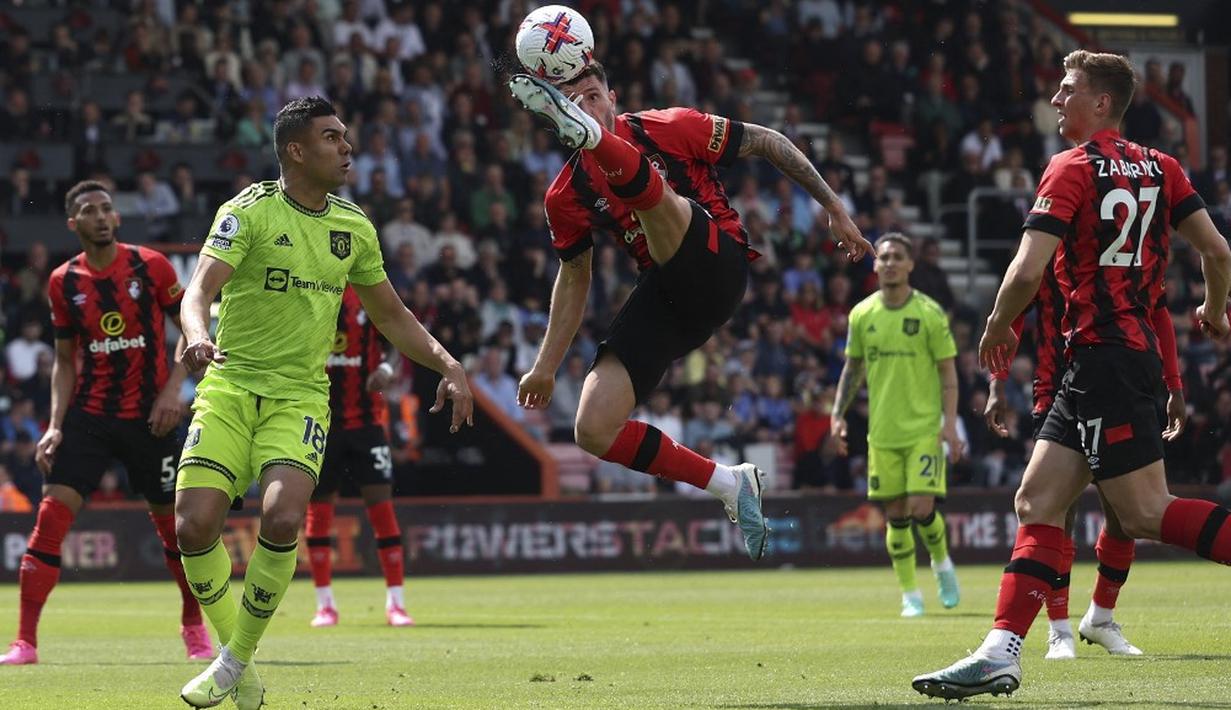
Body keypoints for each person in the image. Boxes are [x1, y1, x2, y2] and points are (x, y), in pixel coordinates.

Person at [914, 50, 1231, 701]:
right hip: (1114, 358)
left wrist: (996, 325)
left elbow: (1027, 270)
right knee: (1036, 501)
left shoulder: (1071, 167)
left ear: (1101, 102)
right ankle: (1000, 653)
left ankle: (1029, 640)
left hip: (1102, 356)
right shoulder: (1163, 167)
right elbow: (1217, 250)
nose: (1056, 100)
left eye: (1067, 90)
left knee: (1144, 512)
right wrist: (1213, 309)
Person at [174, 96, 473, 708]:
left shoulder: (354, 227)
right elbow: (197, 291)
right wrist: (198, 335)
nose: (347, 147)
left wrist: (448, 363)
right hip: (230, 387)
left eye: (345, 136)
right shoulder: (247, 212)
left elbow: (392, 315)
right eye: (332, 137)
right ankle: (239, 665)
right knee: (193, 525)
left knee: (283, 518)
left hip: (301, 397)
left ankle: (231, 661)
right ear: (296, 150)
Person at [506, 64, 870, 560]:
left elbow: (767, 140)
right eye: (572, 104)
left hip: (717, 262)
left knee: (657, 201)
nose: (586, 106)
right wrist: (545, 366)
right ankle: (729, 484)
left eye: (591, 96)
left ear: (613, 98)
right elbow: (574, 278)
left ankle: (608, 150)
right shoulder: (563, 196)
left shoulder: (668, 126)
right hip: (669, 295)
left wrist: (835, 207)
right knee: (592, 427)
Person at [1, 181, 211, 666]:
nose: (99, 216)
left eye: (106, 209)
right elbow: (64, 361)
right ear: (74, 223)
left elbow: (189, 327)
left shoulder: (151, 266)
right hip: (90, 416)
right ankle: (25, 642)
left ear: (116, 218)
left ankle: (193, 627)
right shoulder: (63, 282)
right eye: (89, 210)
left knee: (176, 533)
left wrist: (173, 391)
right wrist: (54, 425)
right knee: (49, 519)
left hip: (150, 418)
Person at [985, 257, 1187, 659]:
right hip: (1055, 388)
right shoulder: (1045, 249)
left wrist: (1174, 386)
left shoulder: (1128, 253)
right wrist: (997, 383)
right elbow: (1012, 314)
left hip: (1116, 383)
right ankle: (1058, 628)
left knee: (1124, 513)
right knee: (1058, 508)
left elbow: (1158, 313)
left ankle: (1100, 617)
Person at [830, 234, 962, 618]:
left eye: (897, 257)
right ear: (875, 265)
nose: (889, 262)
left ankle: (941, 563)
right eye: (883, 257)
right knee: (896, 514)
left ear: (910, 265)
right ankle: (910, 595)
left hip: (923, 429)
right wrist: (837, 414)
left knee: (921, 506)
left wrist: (950, 425)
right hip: (883, 432)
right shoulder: (862, 315)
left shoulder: (929, 313)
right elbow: (852, 369)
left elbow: (948, 373)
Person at [304, 285, 412, 629]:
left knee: (381, 508)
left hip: (367, 423)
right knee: (319, 511)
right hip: (322, 422)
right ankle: (325, 605)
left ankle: (396, 604)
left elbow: (397, 339)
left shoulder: (368, 291)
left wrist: (387, 371)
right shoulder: (310, 289)